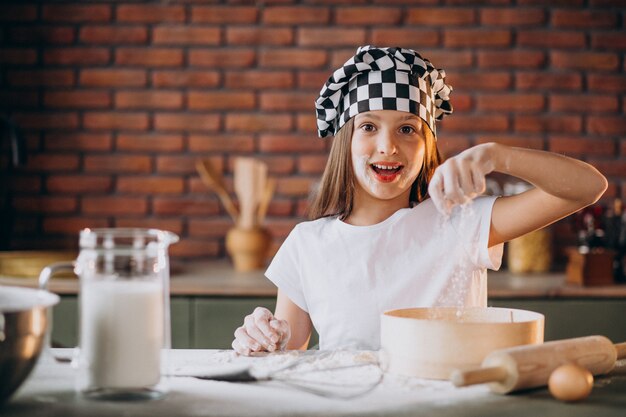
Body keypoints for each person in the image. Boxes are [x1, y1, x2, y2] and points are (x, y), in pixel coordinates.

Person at [231, 46, 607, 356]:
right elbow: (289, 354)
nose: (388, 146)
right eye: (368, 127)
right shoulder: (307, 244)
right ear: (345, 142)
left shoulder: (461, 223)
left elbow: (587, 188)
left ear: (428, 146)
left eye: (407, 129)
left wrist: (497, 155)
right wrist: (263, 338)